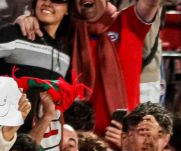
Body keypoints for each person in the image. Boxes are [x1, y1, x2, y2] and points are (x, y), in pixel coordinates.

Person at [68, 0, 161, 134]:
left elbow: (150, 3)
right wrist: (28, 19)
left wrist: (126, 140)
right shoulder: (69, 30)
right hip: (79, 140)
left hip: (122, 138)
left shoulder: (129, 22)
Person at [0, 0, 72, 81]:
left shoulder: (66, 53)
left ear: (68, 8)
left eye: (57, 0)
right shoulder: (18, 32)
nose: (47, 3)